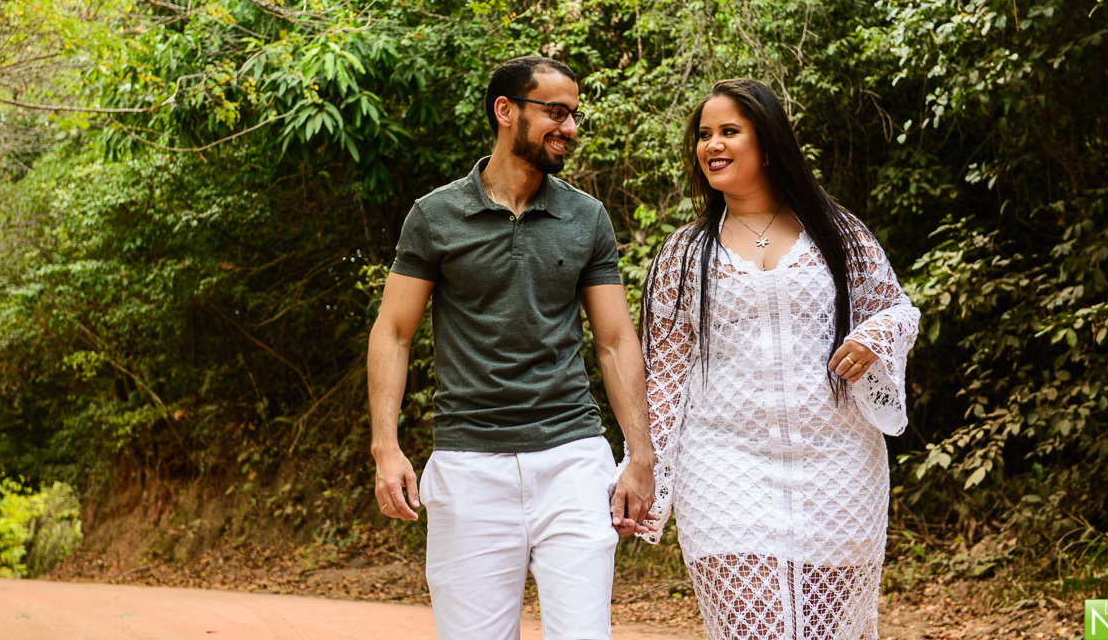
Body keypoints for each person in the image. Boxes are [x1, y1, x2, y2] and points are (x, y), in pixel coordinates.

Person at [367, 56, 656, 640]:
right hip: (468, 464)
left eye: (573, 114)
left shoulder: (586, 217)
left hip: (572, 458)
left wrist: (641, 455)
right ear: (506, 111)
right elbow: (393, 331)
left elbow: (615, 339)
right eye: (556, 113)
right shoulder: (435, 216)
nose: (570, 127)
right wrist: (386, 448)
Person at [638, 79, 920, 640]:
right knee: (752, 626)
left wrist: (874, 337)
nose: (712, 145)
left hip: (838, 462)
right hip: (722, 463)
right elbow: (664, 374)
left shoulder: (836, 232)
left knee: (824, 629)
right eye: (704, 135)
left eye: (728, 131)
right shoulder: (685, 252)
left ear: (767, 143)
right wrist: (644, 465)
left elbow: (897, 310)